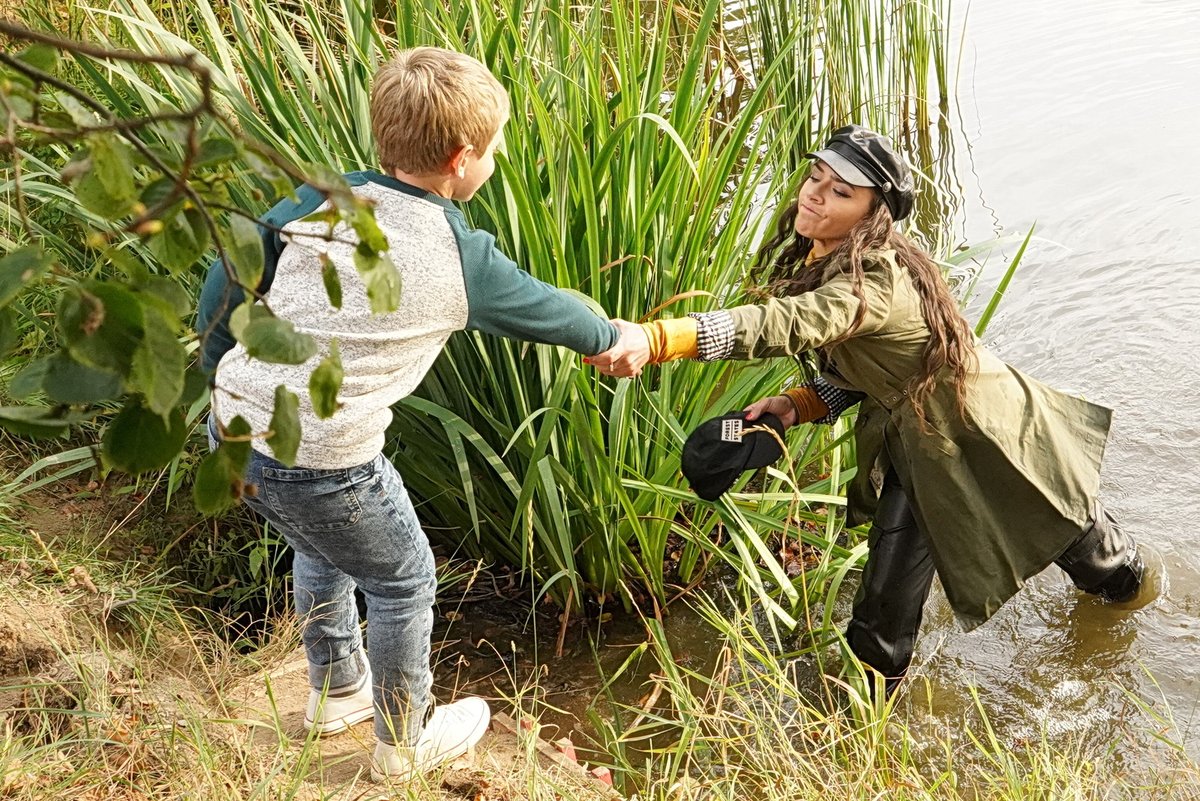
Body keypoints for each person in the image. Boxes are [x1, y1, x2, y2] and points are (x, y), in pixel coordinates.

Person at [195, 47, 641, 780]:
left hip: (237, 427)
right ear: (462, 159)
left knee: (327, 542)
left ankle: (338, 689)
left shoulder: (316, 200)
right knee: (403, 577)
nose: (492, 162)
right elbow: (545, 307)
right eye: (493, 151)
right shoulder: (455, 254)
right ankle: (403, 742)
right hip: (326, 456)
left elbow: (228, 271)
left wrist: (216, 368)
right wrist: (610, 337)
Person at [586, 124, 1148, 697]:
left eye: (839, 192)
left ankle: (1145, 622)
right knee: (885, 605)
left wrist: (658, 339)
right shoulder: (824, 257)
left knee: (1092, 555)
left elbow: (785, 324)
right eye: (815, 178)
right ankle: (862, 721)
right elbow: (865, 373)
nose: (814, 194)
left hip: (989, 431)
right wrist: (796, 406)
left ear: (871, 213)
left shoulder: (873, 280)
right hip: (923, 443)